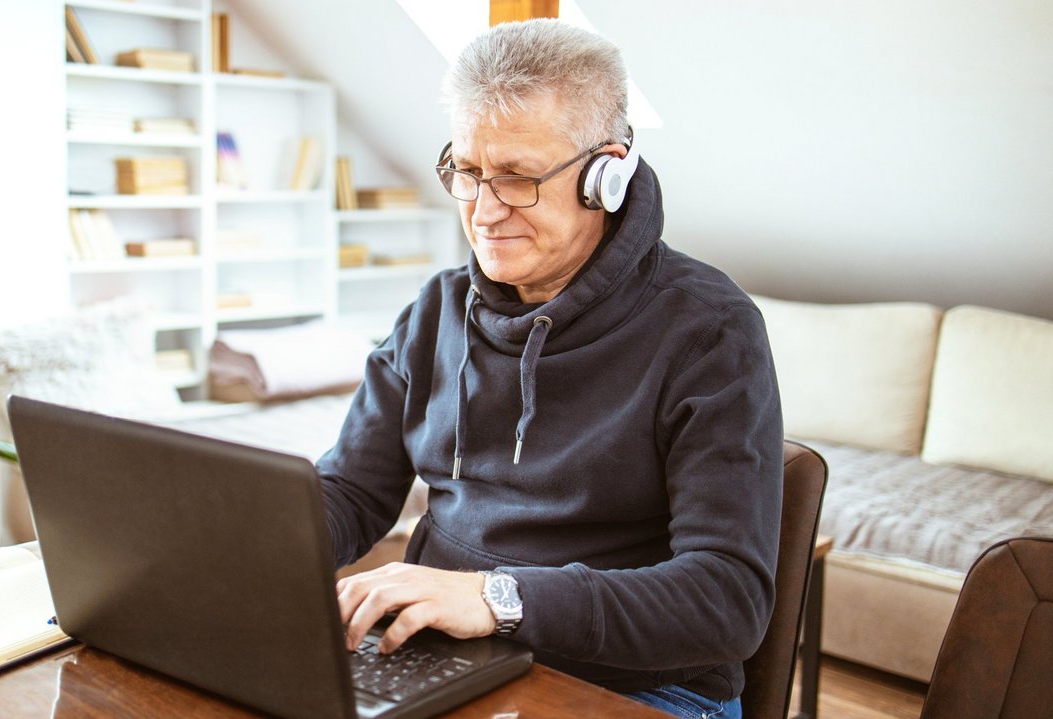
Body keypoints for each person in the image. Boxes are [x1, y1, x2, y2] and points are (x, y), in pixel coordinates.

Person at [319, 19, 782, 719]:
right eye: (468, 173)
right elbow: (350, 491)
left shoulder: (710, 329)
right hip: (441, 658)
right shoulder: (437, 309)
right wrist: (233, 550)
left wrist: (496, 596)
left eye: (518, 178)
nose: (483, 210)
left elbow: (726, 600)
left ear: (608, 175)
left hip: (637, 687)